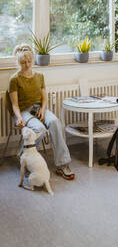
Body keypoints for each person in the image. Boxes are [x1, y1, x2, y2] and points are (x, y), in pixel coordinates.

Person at [9, 44, 75, 180]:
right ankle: (25, 158)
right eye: (23, 62)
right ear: (18, 62)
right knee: (40, 129)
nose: (27, 65)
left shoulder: (40, 76)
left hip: (39, 108)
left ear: (33, 60)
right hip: (23, 112)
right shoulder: (14, 79)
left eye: (29, 62)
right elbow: (15, 105)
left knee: (56, 122)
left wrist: (44, 110)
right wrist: (18, 117)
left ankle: (62, 164)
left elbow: (44, 98)